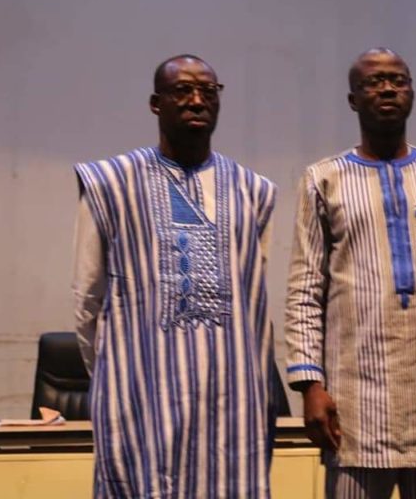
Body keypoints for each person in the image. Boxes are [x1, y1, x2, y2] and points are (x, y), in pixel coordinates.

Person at [284, 47, 416, 498]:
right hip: (354, 403)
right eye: (372, 82)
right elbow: (306, 289)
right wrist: (310, 386)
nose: (386, 89)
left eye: (397, 80)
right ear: (352, 99)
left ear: (411, 92)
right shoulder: (324, 179)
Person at [73, 54, 277, 498]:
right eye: (182, 90)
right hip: (141, 399)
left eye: (208, 91)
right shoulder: (109, 184)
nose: (197, 100)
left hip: (231, 407)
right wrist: (117, 374)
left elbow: (255, 308)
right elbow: (88, 299)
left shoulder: (254, 192)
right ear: (155, 103)